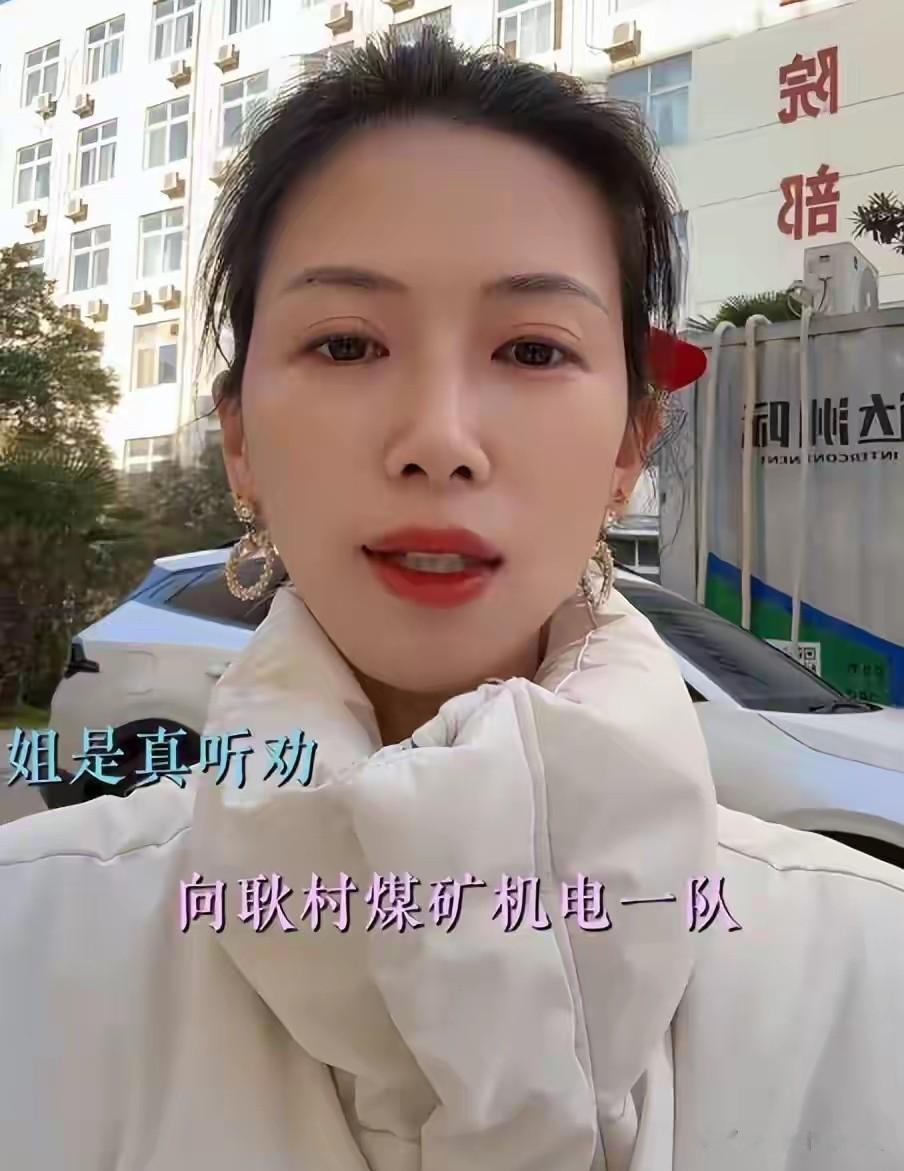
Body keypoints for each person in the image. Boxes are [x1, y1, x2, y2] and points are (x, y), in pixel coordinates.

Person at [1, 32, 902, 1171]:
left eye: (532, 349)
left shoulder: (867, 972)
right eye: (345, 343)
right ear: (239, 440)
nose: (439, 437)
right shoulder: (34, 946)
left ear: (629, 443)